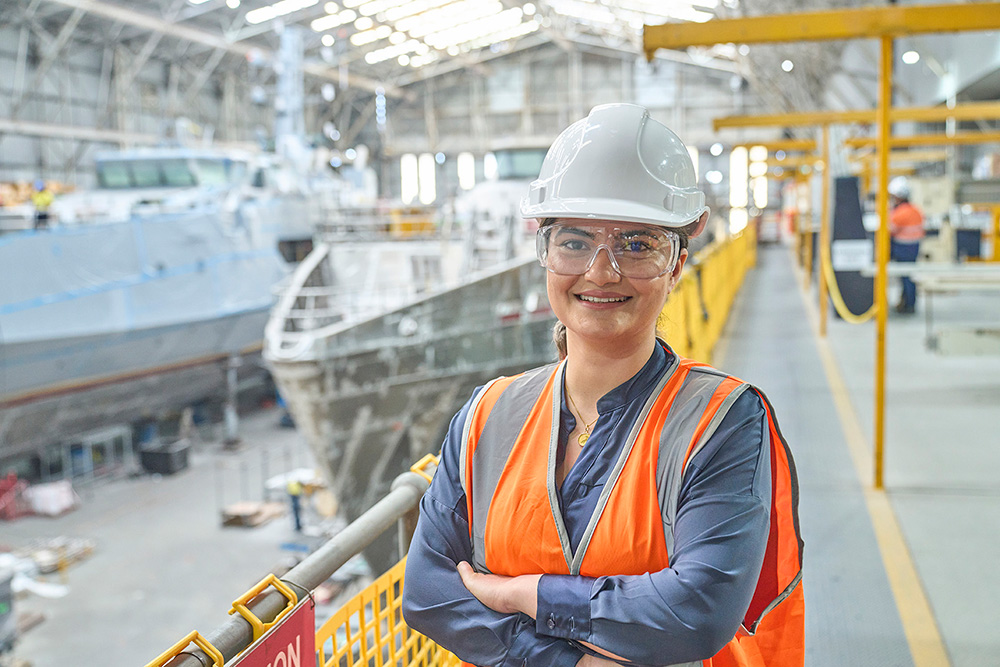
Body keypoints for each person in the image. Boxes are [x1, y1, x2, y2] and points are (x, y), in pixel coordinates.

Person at [402, 104, 804, 667]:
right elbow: (425, 593)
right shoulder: (487, 414)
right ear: (545, 252)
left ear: (678, 264)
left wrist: (529, 596)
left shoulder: (723, 421)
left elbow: (698, 609)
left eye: (637, 245)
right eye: (574, 241)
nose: (600, 271)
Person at [888, 176, 925, 314]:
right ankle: (908, 303)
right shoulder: (916, 210)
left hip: (902, 249)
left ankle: (908, 305)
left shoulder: (899, 213)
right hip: (914, 248)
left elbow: (889, 230)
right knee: (909, 277)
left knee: (905, 278)